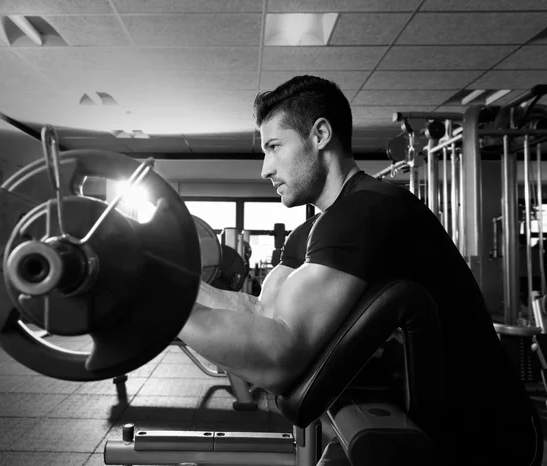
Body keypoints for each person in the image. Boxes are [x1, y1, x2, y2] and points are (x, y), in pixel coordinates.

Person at [178, 75, 542, 465]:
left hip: (480, 441)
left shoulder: (368, 211)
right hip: (407, 423)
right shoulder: (308, 232)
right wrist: (170, 280)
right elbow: (262, 313)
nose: (265, 169)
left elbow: (278, 357)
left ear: (320, 135)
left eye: (274, 147)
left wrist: (158, 307)